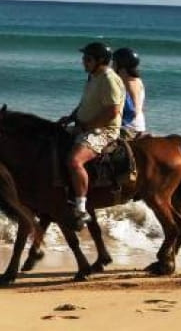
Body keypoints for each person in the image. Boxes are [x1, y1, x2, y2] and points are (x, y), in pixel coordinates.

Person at [58, 42, 125, 230]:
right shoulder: (93, 76)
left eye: (87, 59)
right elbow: (85, 104)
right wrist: (71, 117)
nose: (83, 62)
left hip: (104, 131)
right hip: (84, 126)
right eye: (84, 58)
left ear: (100, 61)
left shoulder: (109, 79)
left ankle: (81, 208)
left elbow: (113, 111)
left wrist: (86, 126)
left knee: (74, 161)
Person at [112, 47, 146, 139]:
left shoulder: (130, 82)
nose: (112, 66)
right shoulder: (132, 80)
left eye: (114, 63)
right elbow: (142, 108)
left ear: (120, 65)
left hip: (128, 128)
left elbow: (134, 110)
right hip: (135, 125)